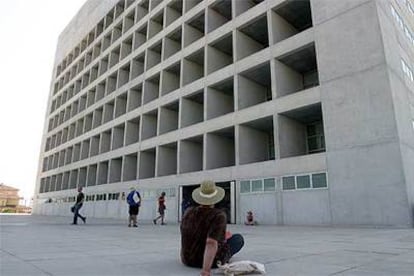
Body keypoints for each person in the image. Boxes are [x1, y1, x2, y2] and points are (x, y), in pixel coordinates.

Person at [180, 181, 244, 276]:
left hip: (187, 259)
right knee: (238, 239)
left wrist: (222, 236)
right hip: (209, 261)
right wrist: (206, 270)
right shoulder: (218, 215)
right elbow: (211, 242)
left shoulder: (188, 212)